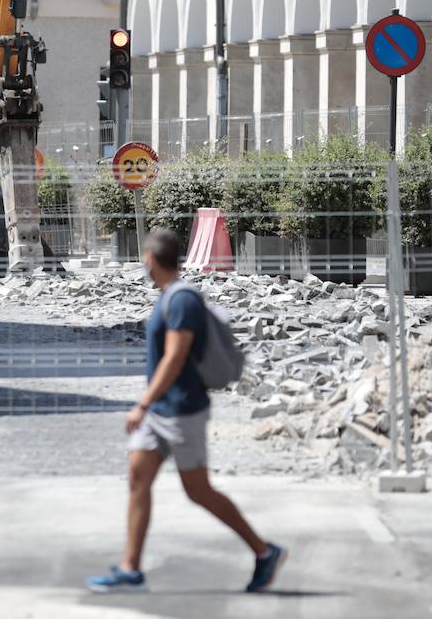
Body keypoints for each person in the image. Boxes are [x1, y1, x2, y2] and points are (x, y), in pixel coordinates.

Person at [85, 228, 286, 594]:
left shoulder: (182, 301)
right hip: (161, 409)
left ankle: (264, 550)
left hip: (181, 411)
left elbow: (176, 357)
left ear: (150, 258)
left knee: (198, 491)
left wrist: (143, 403)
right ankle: (130, 568)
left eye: (144, 259)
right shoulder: (168, 297)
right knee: (138, 478)